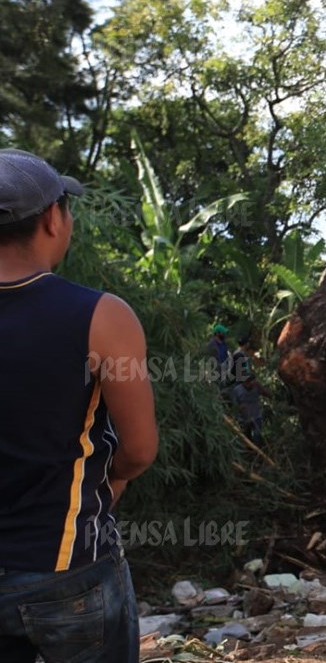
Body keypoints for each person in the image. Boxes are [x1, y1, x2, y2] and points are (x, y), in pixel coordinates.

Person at [0, 148, 158, 662]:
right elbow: (138, 449)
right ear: (52, 218)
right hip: (68, 568)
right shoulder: (100, 316)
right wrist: (111, 485)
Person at [232, 372, 271, 447]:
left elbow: (270, 395)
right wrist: (241, 407)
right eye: (247, 381)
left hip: (256, 417)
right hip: (243, 419)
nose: (250, 384)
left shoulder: (256, 387)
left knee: (257, 435)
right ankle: (249, 453)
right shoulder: (237, 390)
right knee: (246, 439)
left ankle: (259, 452)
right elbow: (234, 406)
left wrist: (261, 387)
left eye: (251, 381)